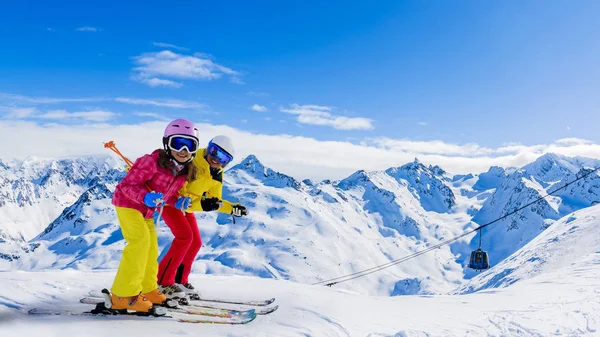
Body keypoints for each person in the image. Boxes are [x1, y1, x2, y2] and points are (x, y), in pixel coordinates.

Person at [109, 119, 199, 312]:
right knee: (140, 242)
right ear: (167, 143)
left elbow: (168, 194)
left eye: (190, 145)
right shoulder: (151, 162)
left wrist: (177, 202)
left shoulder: (182, 172)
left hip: (147, 210)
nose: (183, 149)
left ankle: (148, 289)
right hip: (128, 204)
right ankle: (122, 295)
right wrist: (146, 197)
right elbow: (126, 186)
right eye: (178, 143)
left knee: (151, 247)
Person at [157, 135, 248, 300]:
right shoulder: (193, 161)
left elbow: (215, 201)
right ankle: (162, 282)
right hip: (173, 201)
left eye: (223, 158)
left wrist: (232, 209)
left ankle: (179, 280)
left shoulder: (217, 175)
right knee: (185, 237)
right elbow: (179, 190)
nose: (216, 159)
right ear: (208, 148)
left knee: (195, 242)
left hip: (188, 205)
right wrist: (202, 204)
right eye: (214, 152)